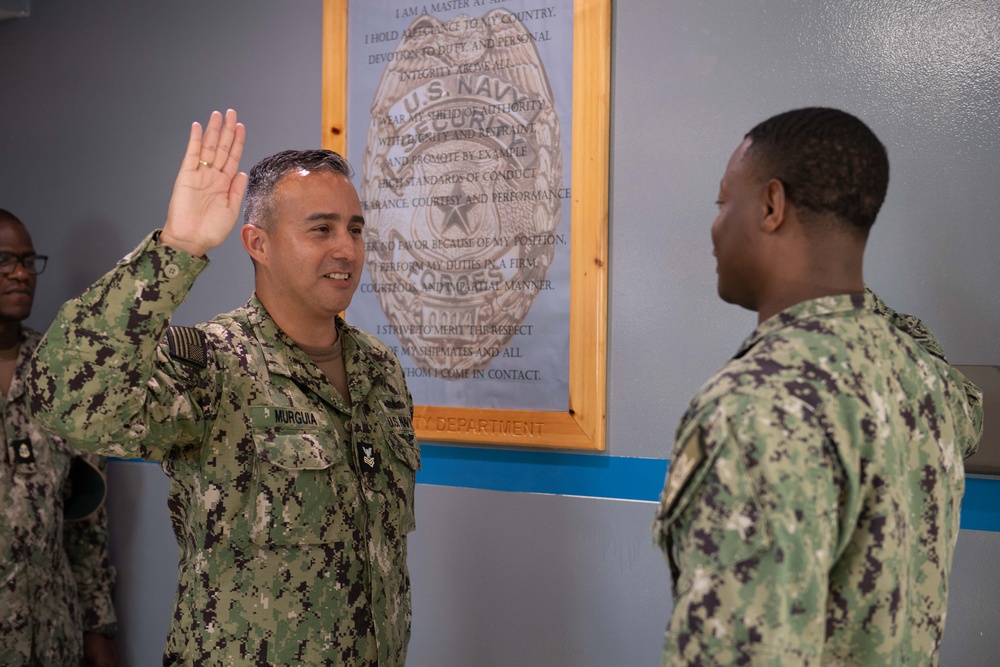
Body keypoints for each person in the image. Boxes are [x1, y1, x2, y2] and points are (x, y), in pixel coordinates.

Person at [27, 110, 420, 666]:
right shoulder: (214, 363)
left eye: (355, 229)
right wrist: (177, 247)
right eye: (321, 229)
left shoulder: (379, 371)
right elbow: (66, 401)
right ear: (257, 244)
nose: (347, 250)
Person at [651, 107, 983, 665]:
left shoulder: (753, 408)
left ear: (771, 206)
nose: (713, 226)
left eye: (723, 202)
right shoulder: (927, 379)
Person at [0, 209, 118, 667]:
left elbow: (86, 526)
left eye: (29, 261)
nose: (20, 274)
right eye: (5, 261)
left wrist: (98, 632)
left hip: (52, 637)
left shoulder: (60, 373)